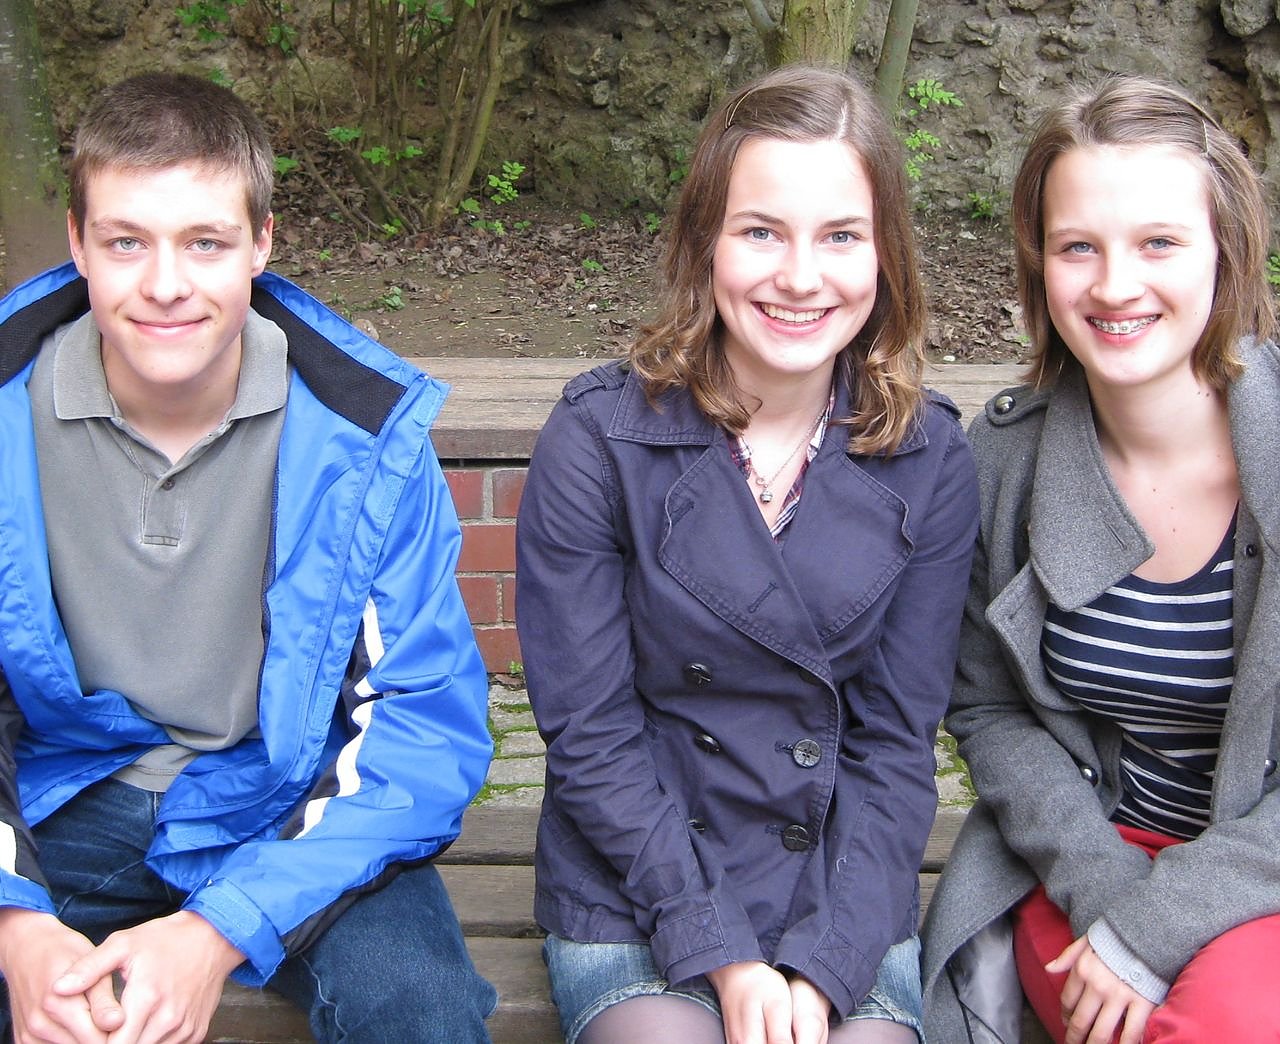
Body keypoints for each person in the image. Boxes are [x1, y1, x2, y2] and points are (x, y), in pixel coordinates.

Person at [0, 72, 497, 1044]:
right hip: (64, 796)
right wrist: (15, 921)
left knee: (420, 1009)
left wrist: (216, 933)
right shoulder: (9, 412)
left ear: (261, 244)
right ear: (77, 243)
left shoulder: (364, 438)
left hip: (284, 806)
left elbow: (417, 727)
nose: (165, 284)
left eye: (206, 243)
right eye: (126, 242)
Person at [515, 65, 980, 1044]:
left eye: (840, 236)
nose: (800, 277)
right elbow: (591, 736)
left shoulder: (930, 455)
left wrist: (826, 963)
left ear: (885, 254)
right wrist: (720, 951)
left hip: (836, 889)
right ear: (704, 243)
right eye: (761, 231)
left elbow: (896, 748)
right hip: (638, 881)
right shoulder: (598, 439)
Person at [921, 76, 1280, 1044]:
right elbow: (988, 708)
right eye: (1078, 246)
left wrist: (1159, 926)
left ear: (1226, 250)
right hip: (1085, 857)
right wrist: (1113, 901)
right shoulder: (1003, 463)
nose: (1114, 285)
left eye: (1158, 242)